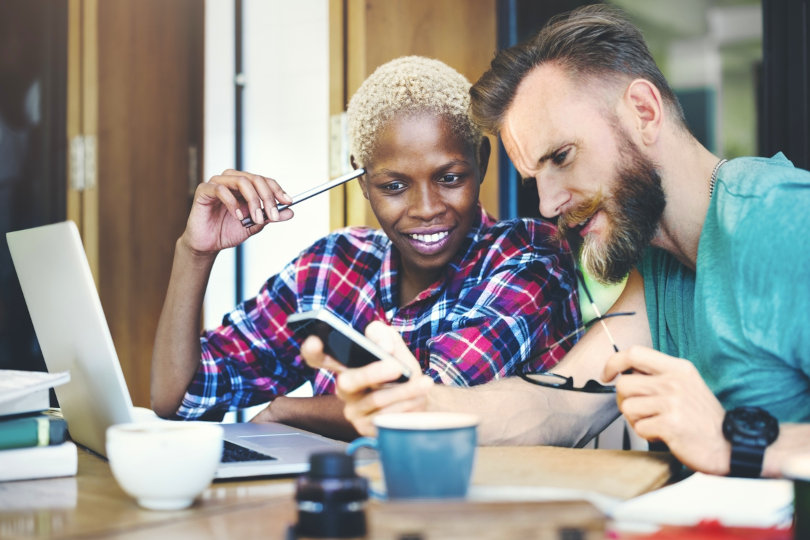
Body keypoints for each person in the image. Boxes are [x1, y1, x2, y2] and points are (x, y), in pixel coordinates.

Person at [302, 6, 810, 476]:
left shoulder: (781, 222)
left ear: (644, 112)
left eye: (562, 157)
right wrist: (423, 405)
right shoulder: (659, 265)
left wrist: (732, 443)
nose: (547, 205)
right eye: (534, 178)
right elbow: (564, 403)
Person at [151, 56, 580, 441]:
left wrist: (289, 410)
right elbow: (180, 398)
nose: (426, 209)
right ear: (362, 181)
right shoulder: (334, 266)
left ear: (481, 163)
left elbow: (426, 406)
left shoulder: (527, 257)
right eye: (394, 186)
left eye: (449, 178)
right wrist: (195, 252)